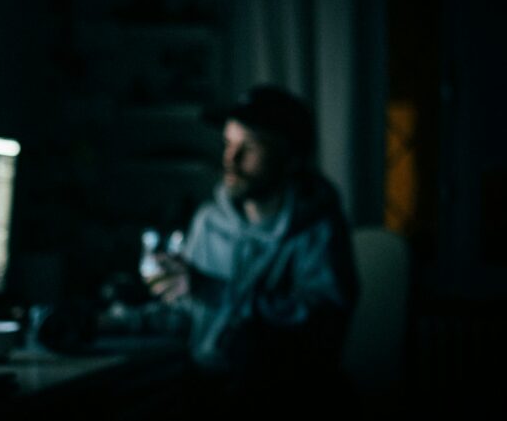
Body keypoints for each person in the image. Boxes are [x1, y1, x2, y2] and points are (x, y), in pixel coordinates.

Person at [143, 85, 360, 416]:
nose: (231, 159)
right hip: (204, 389)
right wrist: (135, 314)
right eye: (228, 144)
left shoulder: (318, 228)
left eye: (250, 148)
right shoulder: (209, 221)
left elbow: (320, 320)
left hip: (287, 397)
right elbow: (190, 316)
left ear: (291, 159)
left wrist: (210, 290)